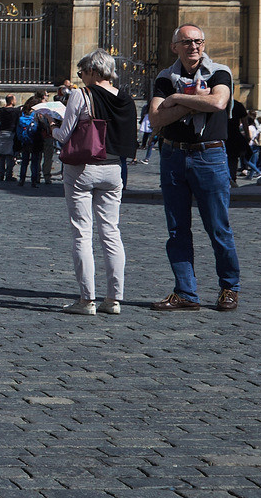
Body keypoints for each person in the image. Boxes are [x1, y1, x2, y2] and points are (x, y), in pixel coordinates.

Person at [149, 26, 240, 311]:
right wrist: (194, 103)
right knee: (177, 229)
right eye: (186, 42)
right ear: (174, 46)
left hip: (209, 156)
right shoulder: (165, 77)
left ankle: (229, 287)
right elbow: (155, 119)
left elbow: (218, 101)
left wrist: (176, 100)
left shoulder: (219, 72)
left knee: (218, 228)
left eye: (198, 41)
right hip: (173, 155)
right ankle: (186, 292)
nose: (194, 47)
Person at [55, 51, 135, 313]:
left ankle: (86, 300)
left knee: (82, 233)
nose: (81, 77)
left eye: (82, 72)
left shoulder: (83, 94)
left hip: (83, 168)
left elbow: (65, 134)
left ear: (93, 71)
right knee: (111, 233)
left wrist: (48, 125)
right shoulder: (125, 98)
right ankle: (114, 299)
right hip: (113, 169)